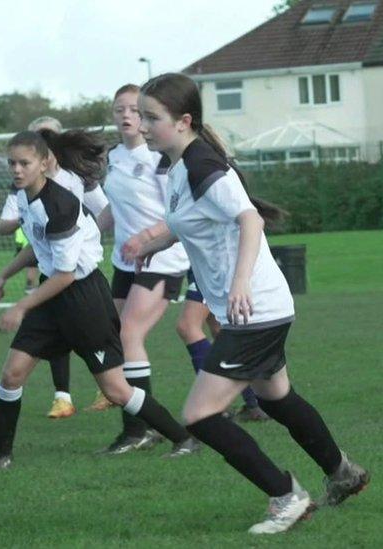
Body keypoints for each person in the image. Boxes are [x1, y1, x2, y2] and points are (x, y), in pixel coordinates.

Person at [128, 72, 368, 534]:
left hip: (253, 310)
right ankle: (343, 472)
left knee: (199, 415)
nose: (141, 125)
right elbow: (193, 219)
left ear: (183, 121)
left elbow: (249, 219)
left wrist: (239, 284)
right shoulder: (180, 166)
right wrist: (154, 242)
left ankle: (286, 496)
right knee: (277, 397)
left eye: (150, 117)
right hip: (258, 309)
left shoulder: (204, 167)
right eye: (140, 115)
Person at [0, 130, 199, 469]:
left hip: (83, 299)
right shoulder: (25, 196)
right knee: (12, 375)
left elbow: (67, 274)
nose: (16, 169)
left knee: (116, 390)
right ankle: (2, 456)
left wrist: (21, 305)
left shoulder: (61, 205)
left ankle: (183, 438)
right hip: (52, 294)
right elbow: (38, 245)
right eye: (11, 162)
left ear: (45, 163)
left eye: (24, 163)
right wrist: (5, 274)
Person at [90, 84, 190, 456]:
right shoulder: (115, 157)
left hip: (162, 259)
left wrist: (149, 239)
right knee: (115, 337)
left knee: (130, 334)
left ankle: (139, 429)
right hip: (125, 261)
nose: (127, 116)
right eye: (120, 110)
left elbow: (178, 215)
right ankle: (140, 426)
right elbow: (114, 208)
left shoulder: (160, 159)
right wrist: (84, 235)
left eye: (135, 109)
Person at [0, 116, 110, 419]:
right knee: (49, 341)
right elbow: (8, 228)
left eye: (47, 136)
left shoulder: (75, 179)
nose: (19, 167)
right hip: (53, 270)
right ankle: (63, 397)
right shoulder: (22, 191)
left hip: (79, 278)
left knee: (107, 358)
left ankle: (114, 394)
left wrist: (82, 238)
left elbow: (104, 210)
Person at [177, 269, 269, 421]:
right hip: (205, 266)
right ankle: (255, 404)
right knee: (220, 329)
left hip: (212, 268)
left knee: (187, 326)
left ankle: (214, 406)